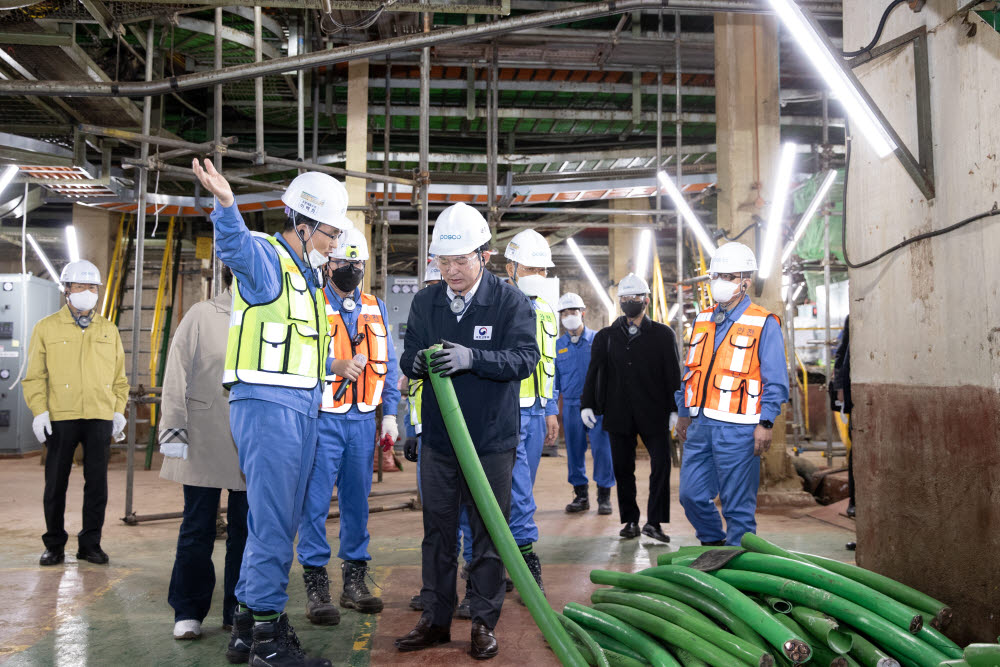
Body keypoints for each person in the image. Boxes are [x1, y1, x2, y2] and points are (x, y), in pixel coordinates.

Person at [192, 157, 351, 667]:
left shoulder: (307, 280)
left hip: (300, 405)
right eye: (329, 232)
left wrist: (333, 364)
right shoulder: (268, 260)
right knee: (275, 523)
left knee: (273, 519)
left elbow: (291, 348)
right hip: (269, 406)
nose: (334, 242)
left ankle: (244, 628)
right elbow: (236, 248)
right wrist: (226, 206)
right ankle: (268, 639)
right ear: (302, 226)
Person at [395, 202, 538, 661]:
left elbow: (525, 360)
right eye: (444, 261)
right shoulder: (426, 301)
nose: (451, 270)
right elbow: (408, 354)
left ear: (484, 255)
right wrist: (414, 364)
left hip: (491, 442)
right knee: (436, 531)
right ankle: (436, 619)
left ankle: (482, 621)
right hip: (440, 441)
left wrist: (473, 358)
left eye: (461, 260)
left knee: (487, 533)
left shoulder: (509, 301)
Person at [296, 227, 400, 625]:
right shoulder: (311, 303)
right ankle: (316, 584)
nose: (349, 269)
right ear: (328, 264)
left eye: (356, 263)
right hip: (323, 419)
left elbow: (387, 366)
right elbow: (301, 354)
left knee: (357, 503)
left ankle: (354, 581)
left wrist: (389, 414)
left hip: (363, 422)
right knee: (315, 503)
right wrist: (333, 366)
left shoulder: (377, 307)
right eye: (341, 262)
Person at [675, 241, 789, 547]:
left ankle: (740, 567)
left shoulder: (764, 322)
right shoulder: (702, 319)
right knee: (691, 495)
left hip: (739, 429)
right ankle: (713, 545)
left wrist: (766, 424)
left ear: (745, 282)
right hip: (701, 427)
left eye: (728, 276)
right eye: (716, 276)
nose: (719, 283)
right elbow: (691, 371)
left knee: (738, 507)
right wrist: (684, 414)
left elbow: (776, 379)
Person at [159, 266, 248, 641]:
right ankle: (188, 609)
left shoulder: (269, 316)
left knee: (247, 532)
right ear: (233, 275)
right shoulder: (202, 314)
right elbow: (176, 370)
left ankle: (237, 609)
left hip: (250, 438)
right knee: (197, 527)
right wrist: (174, 426)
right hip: (204, 435)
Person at [23, 259, 128, 567]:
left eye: (92, 287)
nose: (87, 292)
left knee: (97, 484)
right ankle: (54, 544)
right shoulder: (46, 328)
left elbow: (120, 378)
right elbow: (34, 376)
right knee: (56, 483)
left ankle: (90, 544)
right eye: (80, 286)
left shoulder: (108, 329)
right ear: (66, 289)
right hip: (60, 415)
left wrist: (117, 411)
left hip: (99, 415)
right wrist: (39, 411)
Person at [580, 273, 681, 542]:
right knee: (623, 469)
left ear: (646, 300)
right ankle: (631, 521)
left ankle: (655, 522)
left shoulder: (662, 334)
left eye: (634, 297)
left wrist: (675, 408)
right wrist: (587, 404)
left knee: (661, 465)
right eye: (624, 298)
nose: (628, 302)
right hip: (618, 412)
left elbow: (673, 373)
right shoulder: (607, 336)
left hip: (655, 412)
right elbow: (594, 372)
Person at [499, 228, 558, 596]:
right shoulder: (499, 305)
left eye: (543, 270)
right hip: (507, 413)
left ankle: (495, 557)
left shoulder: (547, 311)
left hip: (536, 412)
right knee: (519, 494)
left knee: (520, 490)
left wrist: (550, 409)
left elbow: (550, 366)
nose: (538, 275)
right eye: (531, 268)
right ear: (510, 268)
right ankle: (525, 563)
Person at [554, 292, 615, 515]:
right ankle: (581, 496)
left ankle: (604, 495)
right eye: (565, 313)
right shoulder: (558, 346)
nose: (569, 316)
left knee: (602, 450)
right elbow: (555, 382)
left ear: (583, 313)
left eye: (573, 312)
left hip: (598, 406)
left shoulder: (600, 340)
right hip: (570, 406)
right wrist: (552, 410)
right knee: (574, 450)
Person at [831, 315, 853, 518]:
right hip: (852, 393)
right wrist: (839, 387)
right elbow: (842, 352)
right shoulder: (852, 317)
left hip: (856, 392)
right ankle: (854, 503)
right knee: (855, 451)